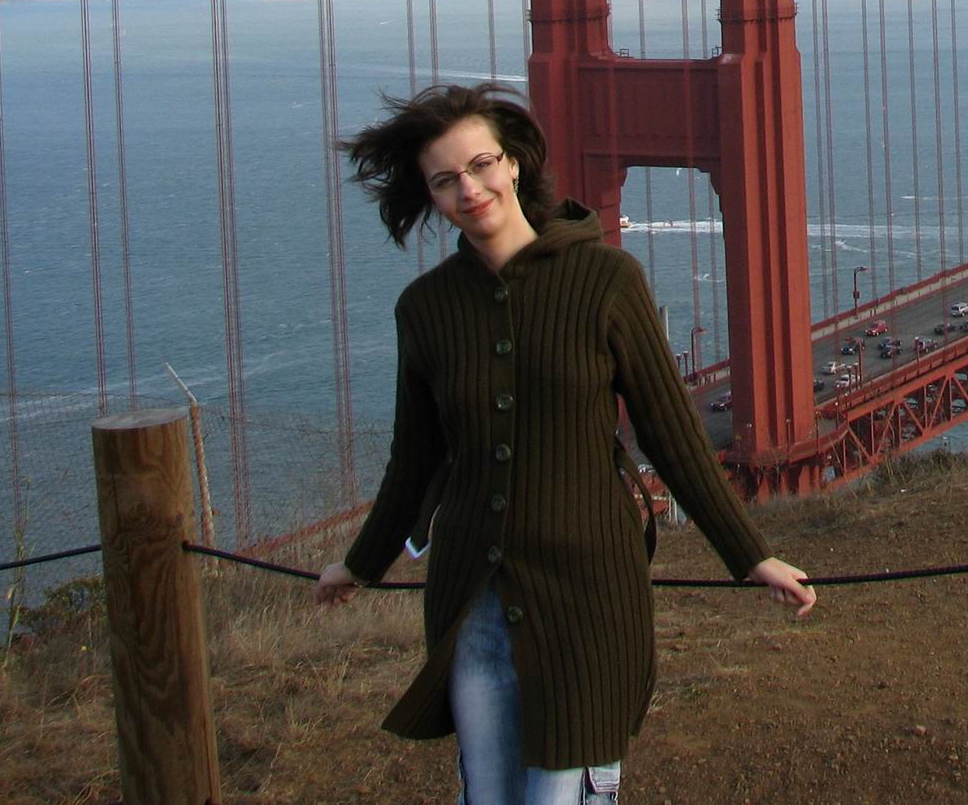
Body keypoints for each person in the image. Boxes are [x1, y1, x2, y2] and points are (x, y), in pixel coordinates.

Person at [315, 84, 814, 805]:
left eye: (481, 165)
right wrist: (359, 563)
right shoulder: (423, 309)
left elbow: (669, 436)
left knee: (565, 796)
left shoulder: (606, 279)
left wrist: (750, 555)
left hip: (588, 596)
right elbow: (414, 461)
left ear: (514, 163)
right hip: (472, 602)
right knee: (489, 796)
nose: (470, 188)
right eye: (446, 180)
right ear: (428, 196)